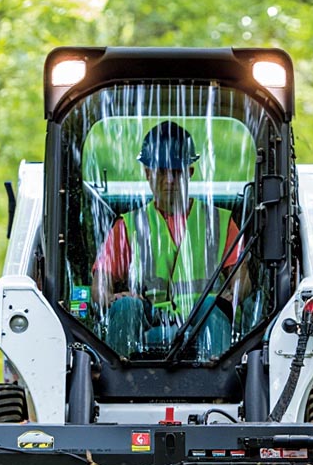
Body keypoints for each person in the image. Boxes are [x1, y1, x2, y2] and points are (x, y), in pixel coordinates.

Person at [92, 121, 250, 358]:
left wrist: (231, 295)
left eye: (176, 172)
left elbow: (242, 280)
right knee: (125, 307)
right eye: (161, 172)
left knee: (213, 307)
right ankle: (118, 381)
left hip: (202, 322)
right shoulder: (128, 226)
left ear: (190, 172)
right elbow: (99, 284)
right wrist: (111, 297)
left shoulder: (220, 222)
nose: (169, 181)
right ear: (147, 174)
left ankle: (217, 386)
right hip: (149, 321)